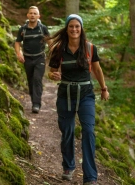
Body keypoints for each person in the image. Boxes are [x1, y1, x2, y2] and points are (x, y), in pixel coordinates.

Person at [47, 14, 109, 185]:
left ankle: (90, 177)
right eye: (71, 26)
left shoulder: (90, 48)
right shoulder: (59, 49)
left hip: (86, 95)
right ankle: (68, 166)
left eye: (77, 26)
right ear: (66, 29)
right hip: (65, 94)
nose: (74, 29)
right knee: (67, 131)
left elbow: (97, 70)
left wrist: (104, 89)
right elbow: (50, 72)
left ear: (81, 29)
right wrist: (54, 75)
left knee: (88, 132)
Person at [14, 6, 50, 113]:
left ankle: (36, 104)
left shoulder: (43, 28)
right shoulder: (23, 29)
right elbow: (17, 43)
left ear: (38, 16)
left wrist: (54, 54)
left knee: (37, 79)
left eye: (35, 13)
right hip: (28, 59)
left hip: (40, 58)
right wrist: (18, 53)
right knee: (30, 81)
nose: (33, 15)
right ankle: (34, 100)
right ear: (27, 15)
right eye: (31, 13)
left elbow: (50, 42)